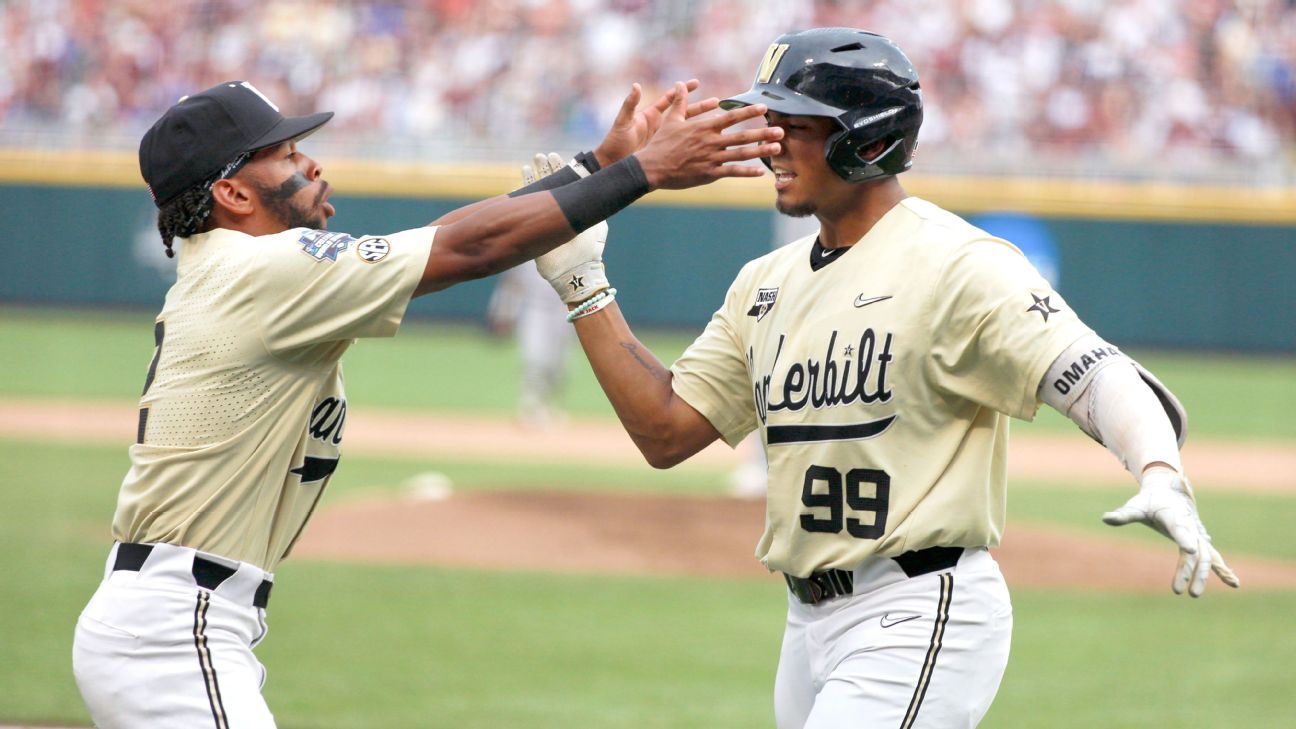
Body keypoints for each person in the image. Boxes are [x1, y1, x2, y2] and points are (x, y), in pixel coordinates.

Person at [529, 28, 1241, 728]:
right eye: (767, 120)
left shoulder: (958, 263)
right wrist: (585, 284)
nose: (768, 140)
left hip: (919, 606)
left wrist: (1157, 467)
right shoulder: (764, 284)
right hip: (804, 621)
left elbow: (1092, 372)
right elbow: (665, 429)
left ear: (866, 138)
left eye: (793, 125)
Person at [70, 78, 782, 728]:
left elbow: (441, 238)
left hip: (174, 620)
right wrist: (642, 173)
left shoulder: (242, 271)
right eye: (285, 153)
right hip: (174, 628)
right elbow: (469, 249)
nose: (310, 163)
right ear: (232, 194)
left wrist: (597, 164)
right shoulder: (260, 271)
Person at [486, 260, 574, 428]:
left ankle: (549, 406)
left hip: (562, 310)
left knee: (559, 365)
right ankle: (530, 408)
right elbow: (512, 282)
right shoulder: (528, 247)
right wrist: (504, 312)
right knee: (534, 359)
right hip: (534, 309)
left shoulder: (568, 244)